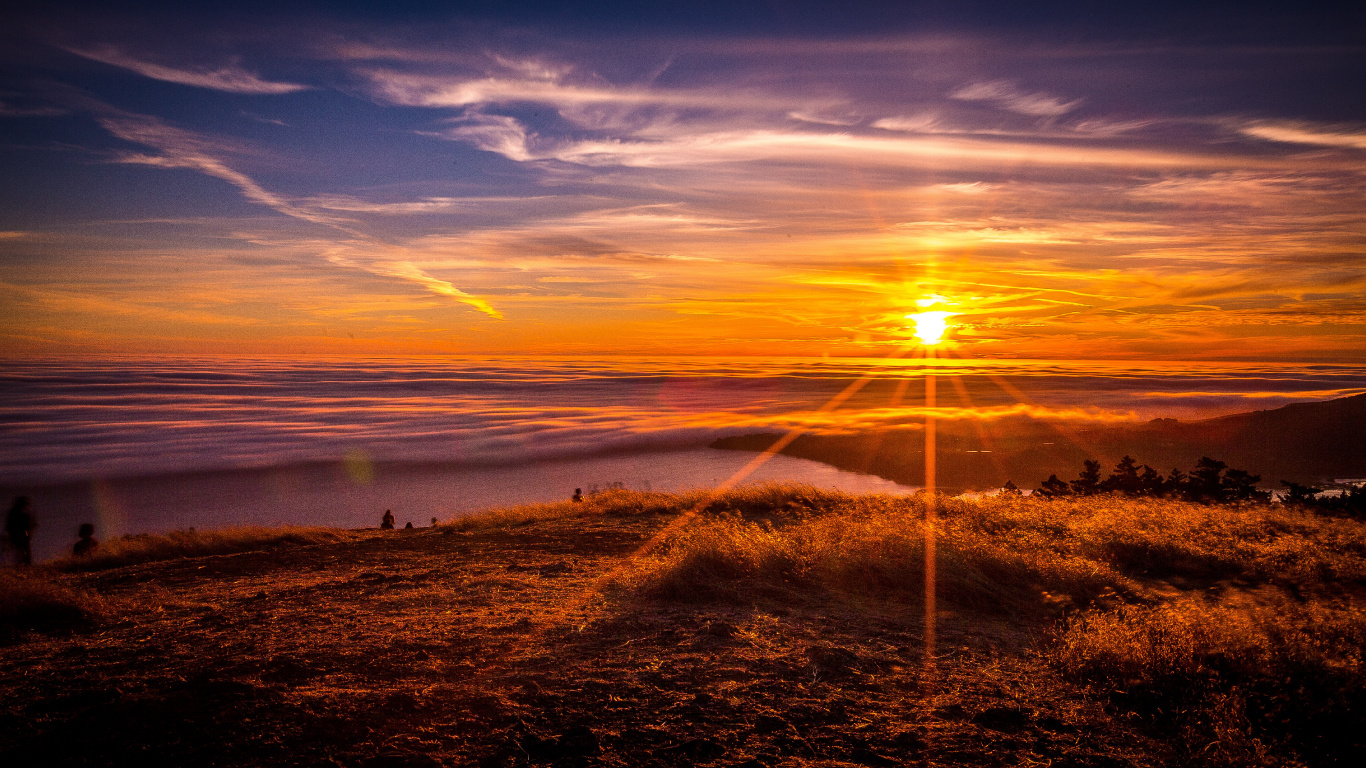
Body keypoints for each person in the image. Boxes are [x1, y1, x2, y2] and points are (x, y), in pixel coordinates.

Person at [5, 496, 34, 566]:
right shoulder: (21, 514)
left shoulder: (14, 513)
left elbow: (9, 526)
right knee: (23, 551)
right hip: (19, 535)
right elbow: (26, 526)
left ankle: (23, 564)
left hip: (17, 535)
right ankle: (24, 564)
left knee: (21, 551)